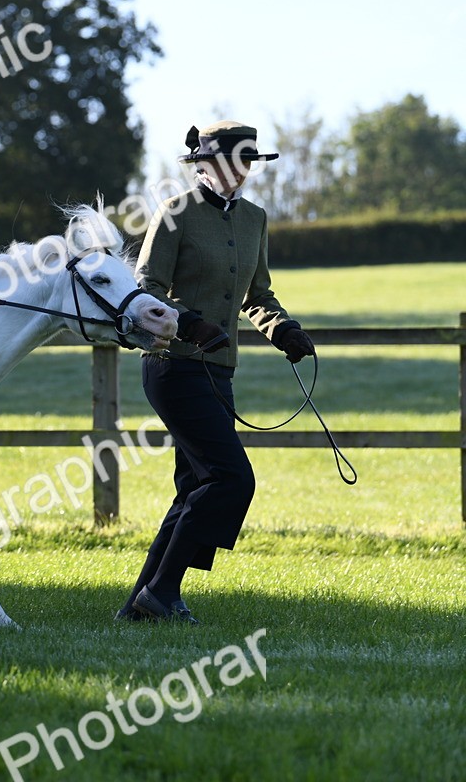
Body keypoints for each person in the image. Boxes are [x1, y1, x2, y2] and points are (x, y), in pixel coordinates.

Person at [117, 121, 315, 624]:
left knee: (194, 488)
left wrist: (282, 330)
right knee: (231, 478)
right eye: (231, 162)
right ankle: (161, 592)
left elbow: (258, 295)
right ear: (204, 164)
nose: (240, 172)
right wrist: (188, 324)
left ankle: (143, 604)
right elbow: (146, 289)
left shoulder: (255, 218)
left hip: (219, 371)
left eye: (248, 162)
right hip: (172, 365)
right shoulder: (175, 212)